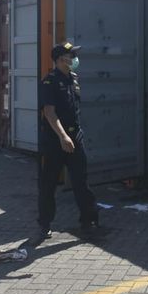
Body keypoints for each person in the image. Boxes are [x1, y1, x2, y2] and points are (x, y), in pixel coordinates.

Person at [37, 41, 98, 239]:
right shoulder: (50, 81)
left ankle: (88, 220)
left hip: (74, 138)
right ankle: (45, 224)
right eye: (71, 56)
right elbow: (49, 112)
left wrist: (74, 134)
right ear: (60, 59)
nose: (74, 59)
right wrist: (63, 137)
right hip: (56, 141)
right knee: (49, 184)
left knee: (81, 181)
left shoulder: (73, 79)